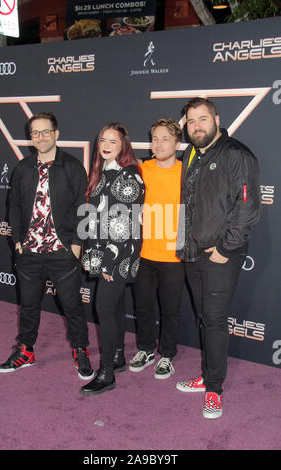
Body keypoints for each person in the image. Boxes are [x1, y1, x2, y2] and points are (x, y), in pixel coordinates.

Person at [175, 98, 261, 419]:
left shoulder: (237, 154)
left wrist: (225, 249)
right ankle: (208, 374)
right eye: (191, 120)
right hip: (191, 253)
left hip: (220, 255)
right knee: (205, 317)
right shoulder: (191, 154)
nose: (196, 125)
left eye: (202, 119)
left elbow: (248, 208)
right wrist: (184, 245)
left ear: (217, 119)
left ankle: (214, 389)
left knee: (214, 320)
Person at [0, 112, 94, 381]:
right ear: (31, 138)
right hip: (29, 252)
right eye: (36, 133)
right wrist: (16, 239)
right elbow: (14, 206)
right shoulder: (22, 168)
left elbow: (85, 208)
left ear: (56, 134)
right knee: (28, 306)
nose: (41, 137)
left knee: (73, 307)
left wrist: (76, 244)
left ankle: (80, 350)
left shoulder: (73, 167)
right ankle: (26, 351)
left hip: (62, 252)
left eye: (46, 132)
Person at [80, 122, 145, 396]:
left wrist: (108, 262)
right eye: (103, 140)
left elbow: (124, 224)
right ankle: (117, 356)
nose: (106, 145)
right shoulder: (102, 172)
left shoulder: (129, 176)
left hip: (118, 254)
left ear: (123, 146)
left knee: (103, 309)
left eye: (113, 141)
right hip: (103, 251)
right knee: (116, 306)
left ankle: (106, 372)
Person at [129, 118, 185, 379]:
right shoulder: (140, 169)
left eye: (165, 138)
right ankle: (145, 349)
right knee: (143, 306)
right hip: (144, 254)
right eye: (155, 138)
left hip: (174, 255)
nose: (159, 144)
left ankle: (168, 356)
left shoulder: (187, 172)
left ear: (177, 142)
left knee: (171, 309)